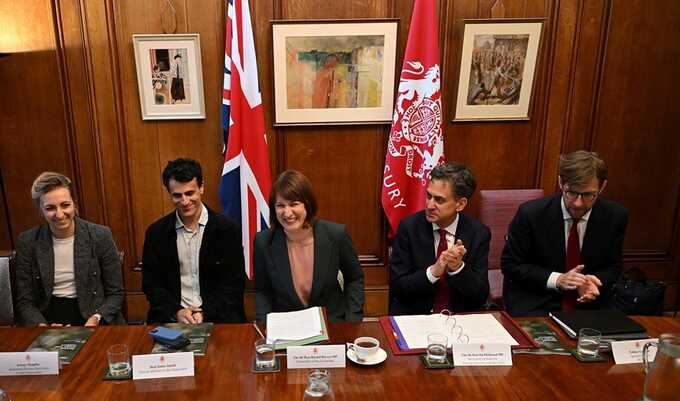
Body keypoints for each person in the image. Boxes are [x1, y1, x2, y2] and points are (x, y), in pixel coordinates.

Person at [501, 150, 628, 316]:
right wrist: (558, 279)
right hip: (538, 302)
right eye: (572, 192)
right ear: (561, 182)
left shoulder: (615, 216)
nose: (578, 203)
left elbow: (613, 267)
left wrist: (591, 282)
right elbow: (511, 265)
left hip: (591, 306)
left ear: (602, 187)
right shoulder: (531, 214)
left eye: (588, 194)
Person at [142, 158, 246, 324]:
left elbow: (233, 285)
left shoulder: (227, 230)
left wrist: (204, 313)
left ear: (202, 187)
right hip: (172, 319)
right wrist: (176, 312)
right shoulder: (156, 233)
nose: (184, 201)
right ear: (169, 193)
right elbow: (152, 285)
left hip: (220, 319)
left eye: (190, 193)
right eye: (177, 195)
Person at [15, 172, 125, 326]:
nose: (59, 214)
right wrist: (42, 326)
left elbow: (116, 294)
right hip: (49, 318)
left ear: (74, 203)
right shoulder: (27, 241)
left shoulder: (100, 235)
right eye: (50, 208)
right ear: (40, 210)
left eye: (65, 205)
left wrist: (97, 318)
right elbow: (25, 301)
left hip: (94, 315)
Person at [254, 170, 364, 322]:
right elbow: (262, 291)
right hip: (287, 327)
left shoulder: (336, 235)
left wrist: (353, 321)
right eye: (280, 205)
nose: (287, 212)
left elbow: (355, 278)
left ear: (307, 204)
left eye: (294, 204)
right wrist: (264, 327)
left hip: (331, 325)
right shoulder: (263, 242)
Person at [390, 162, 491, 315]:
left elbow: (480, 296)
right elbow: (398, 288)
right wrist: (434, 271)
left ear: (460, 204)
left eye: (439, 200)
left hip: (459, 320)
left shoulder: (478, 233)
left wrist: (458, 268)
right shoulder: (409, 228)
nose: (429, 205)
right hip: (416, 318)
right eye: (429, 196)